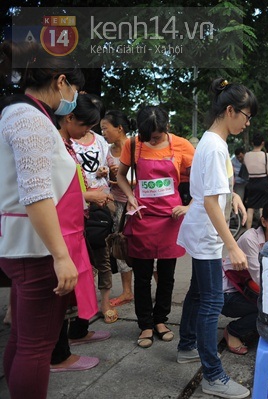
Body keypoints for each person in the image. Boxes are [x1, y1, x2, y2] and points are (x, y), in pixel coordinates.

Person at [0, 40, 96, 398]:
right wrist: (60, 255)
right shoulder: (31, 120)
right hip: (37, 250)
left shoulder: (20, 113)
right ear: (60, 82)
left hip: (25, 245)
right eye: (74, 88)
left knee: (25, 339)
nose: (74, 96)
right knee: (36, 347)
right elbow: (37, 192)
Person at [176, 77, 256, 398]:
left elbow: (217, 190)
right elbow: (210, 201)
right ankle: (212, 374)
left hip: (204, 231)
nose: (247, 124)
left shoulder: (215, 143)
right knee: (211, 302)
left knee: (198, 293)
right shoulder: (212, 146)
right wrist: (233, 246)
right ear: (230, 110)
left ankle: (186, 345)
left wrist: (233, 196)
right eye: (246, 117)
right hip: (208, 234)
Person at [116, 106, 195, 348]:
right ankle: (145, 325)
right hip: (142, 218)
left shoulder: (182, 146)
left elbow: (200, 180)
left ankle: (161, 320)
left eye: (157, 136)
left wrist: (190, 205)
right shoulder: (132, 144)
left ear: (167, 128)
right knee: (141, 277)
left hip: (170, 219)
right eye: (147, 135)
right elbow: (120, 175)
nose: (152, 139)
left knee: (167, 275)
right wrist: (130, 195)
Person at [69, 95, 118, 324]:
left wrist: (110, 170)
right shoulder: (66, 141)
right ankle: (79, 303)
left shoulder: (99, 141)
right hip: (75, 205)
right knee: (79, 257)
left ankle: (105, 301)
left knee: (102, 255)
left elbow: (112, 166)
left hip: (101, 204)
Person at [221, 200, 268, 355]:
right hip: (227, 293)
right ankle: (233, 331)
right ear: (264, 221)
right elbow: (260, 277)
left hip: (250, 290)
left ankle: (257, 326)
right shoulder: (250, 239)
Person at [101, 110, 136, 307]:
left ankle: (160, 287)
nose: (103, 133)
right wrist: (106, 174)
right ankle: (127, 291)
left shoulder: (135, 147)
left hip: (137, 204)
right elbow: (101, 177)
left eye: (105, 128)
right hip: (117, 206)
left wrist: (122, 179)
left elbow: (146, 178)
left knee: (147, 246)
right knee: (120, 246)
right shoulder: (106, 150)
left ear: (120, 128)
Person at [244, 134, 268, 229]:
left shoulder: (247, 155)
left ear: (252, 143)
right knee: (262, 207)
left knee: (250, 207)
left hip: (251, 181)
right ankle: (262, 229)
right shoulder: (265, 155)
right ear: (262, 143)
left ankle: (248, 230)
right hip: (263, 182)